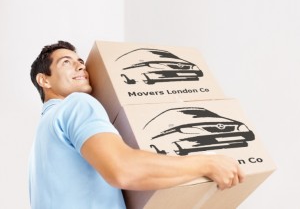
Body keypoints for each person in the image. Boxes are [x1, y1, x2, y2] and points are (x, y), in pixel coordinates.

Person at [29, 40, 245, 209]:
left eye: (80, 61)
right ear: (44, 80)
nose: (80, 65)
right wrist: (207, 164)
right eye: (66, 62)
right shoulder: (77, 104)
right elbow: (123, 170)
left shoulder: (41, 139)